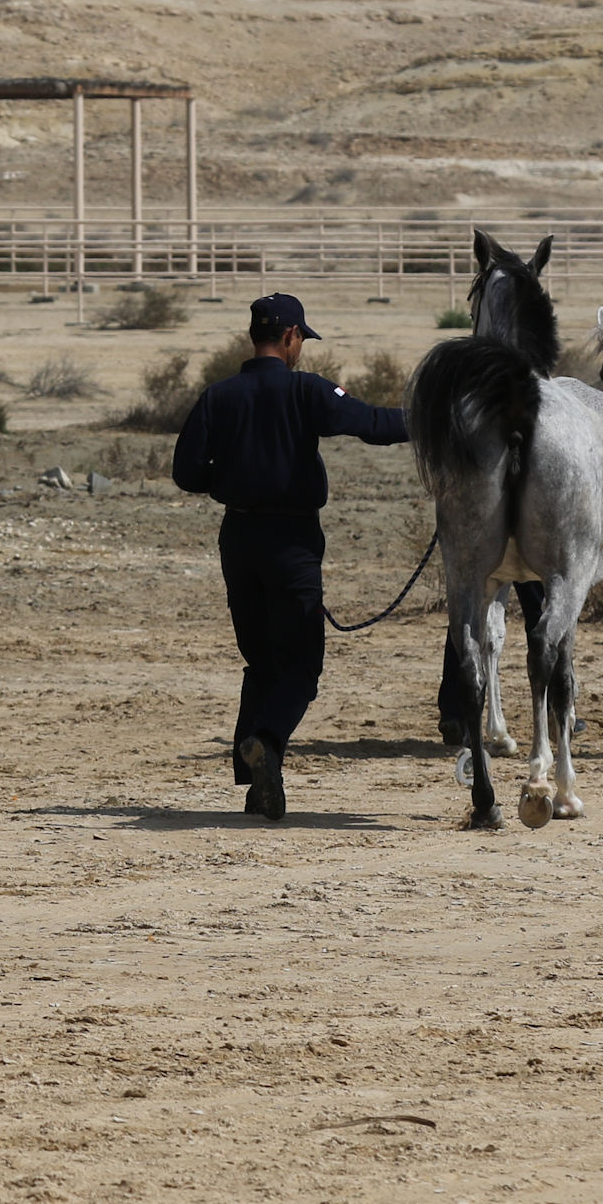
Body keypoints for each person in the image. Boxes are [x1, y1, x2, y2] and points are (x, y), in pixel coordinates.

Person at [171, 293, 410, 822]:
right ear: (290, 337)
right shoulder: (307, 390)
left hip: (238, 537)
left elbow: (185, 472)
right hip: (292, 543)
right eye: (301, 338)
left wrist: (232, 479)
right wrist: (439, 418)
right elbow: (373, 424)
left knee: (261, 662)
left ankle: (257, 784)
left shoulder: (217, 396)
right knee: (301, 667)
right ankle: (265, 741)